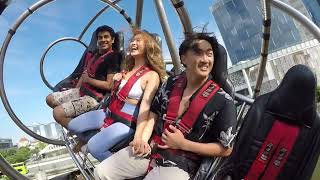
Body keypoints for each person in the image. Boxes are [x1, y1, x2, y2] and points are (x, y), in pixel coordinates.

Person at [94, 32, 237, 180]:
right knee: (101, 171)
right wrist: (143, 139)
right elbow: (153, 114)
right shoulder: (170, 84)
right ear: (184, 58)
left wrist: (183, 144)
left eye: (209, 54)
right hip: (151, 149)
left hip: (182, 162)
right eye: (198, 53)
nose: (205, 59)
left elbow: (226, 149)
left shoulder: (223, 100)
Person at [67, 29, 167, 161]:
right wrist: (117, 82)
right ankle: (98, 138)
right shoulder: (125, 71)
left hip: (126, 121)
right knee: (73, 125)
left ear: (149, 46)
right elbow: (114, 93)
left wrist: (139, 136)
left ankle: (120, 169)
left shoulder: (151, 75)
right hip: (110, 112)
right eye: (132, 41)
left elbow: (145, 108)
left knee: (94, 147)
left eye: (138, 40)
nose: (133, 43)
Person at [45, 25, 121, 128]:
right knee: (50, 98)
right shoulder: (95, 54)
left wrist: (88, 80)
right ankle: (76, 120)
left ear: (112, 40)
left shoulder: (113, 57)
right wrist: (75, 91)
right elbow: (85, 73)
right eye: (100, 37)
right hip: (81, 91)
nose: (103, 40)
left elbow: (109, 85)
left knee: (57, 113)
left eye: (106, 37)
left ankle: (82, 134)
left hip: (93, 98)